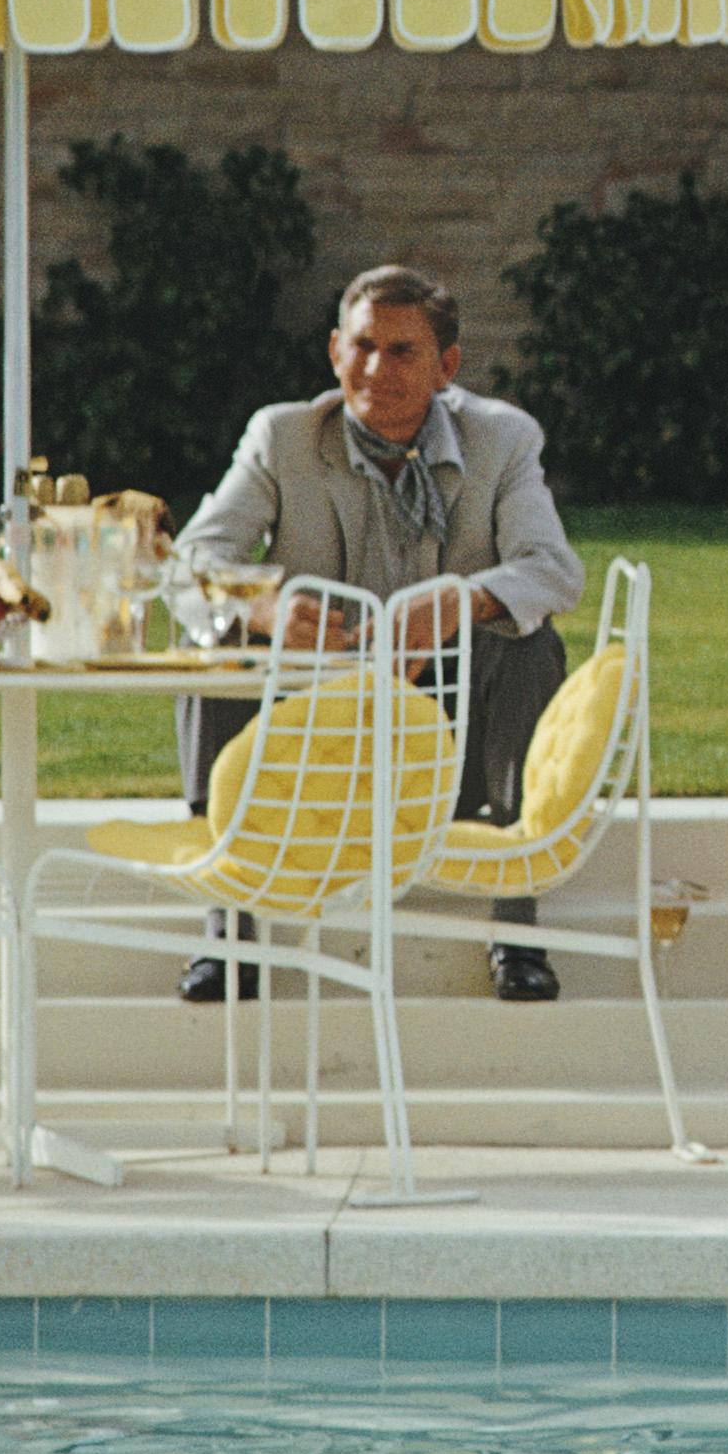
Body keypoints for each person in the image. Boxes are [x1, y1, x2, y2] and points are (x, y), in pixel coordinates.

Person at [175, 263, 582, 1004]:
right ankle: (227, 929)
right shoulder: (282, 435)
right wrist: (263, 607)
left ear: (446, 366)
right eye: (362, 346)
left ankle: (517, 927)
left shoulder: (502, 438)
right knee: (220, 642)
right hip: (306, 748)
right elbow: (191, 563)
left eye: (402, 352)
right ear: (335, 351)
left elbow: (553, 569)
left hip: (447, 746)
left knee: (528, 643)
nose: (376, 369)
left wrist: (465, 601)